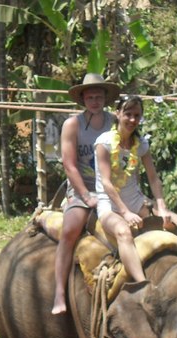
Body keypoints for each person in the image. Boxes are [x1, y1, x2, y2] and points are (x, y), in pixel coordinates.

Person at [94, 95, 177, 282]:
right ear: (118, 114)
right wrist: (125, 213)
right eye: (128, 114)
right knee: (123, 232)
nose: (132, 120)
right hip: (110, 205)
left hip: (137, 200)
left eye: (137, 115)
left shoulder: (141, 144)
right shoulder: (104, 143)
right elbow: (106, 183)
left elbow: (153, 178)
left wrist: (161, 207)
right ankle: (143, 283)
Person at [51, 73, 121, 315]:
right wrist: (86, 196)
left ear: (105, 98)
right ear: (83, 99)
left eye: (99, 96)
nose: (95, 100)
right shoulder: (73, 125)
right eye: (90, 96)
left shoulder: (115, 122)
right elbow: (69, 165)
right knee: (70, 229)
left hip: (112, 187)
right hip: (82, 188)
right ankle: (59, 291)